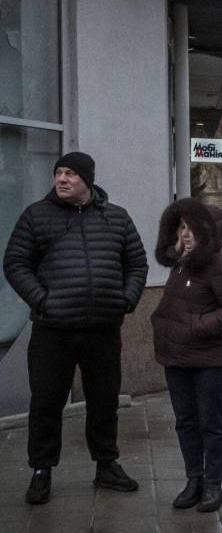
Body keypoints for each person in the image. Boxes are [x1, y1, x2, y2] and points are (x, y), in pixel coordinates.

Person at [3, 151, 148, 505]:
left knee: (104, 401)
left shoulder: (116, 218)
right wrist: (43, 300)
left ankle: (106, 466)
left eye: (70, 173)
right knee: (46, 403)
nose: (61, 179)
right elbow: (15, 262)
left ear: (87, 180)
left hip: (102, 329)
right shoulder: (37, 216)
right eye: (58, 173)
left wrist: (127, 299)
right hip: (54, 330)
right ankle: (41, 471)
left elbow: (137, 263)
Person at [151, 198, 222, 512]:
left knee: (211, 423)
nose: (186, 234)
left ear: (207, 232)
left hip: (210, 360)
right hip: (177, 358)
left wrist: (195, 326)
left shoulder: (221, 265)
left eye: (191, 228)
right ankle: (194, 479)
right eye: (181, 228)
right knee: (185, 422)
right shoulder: (181, 263)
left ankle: (213, 484)